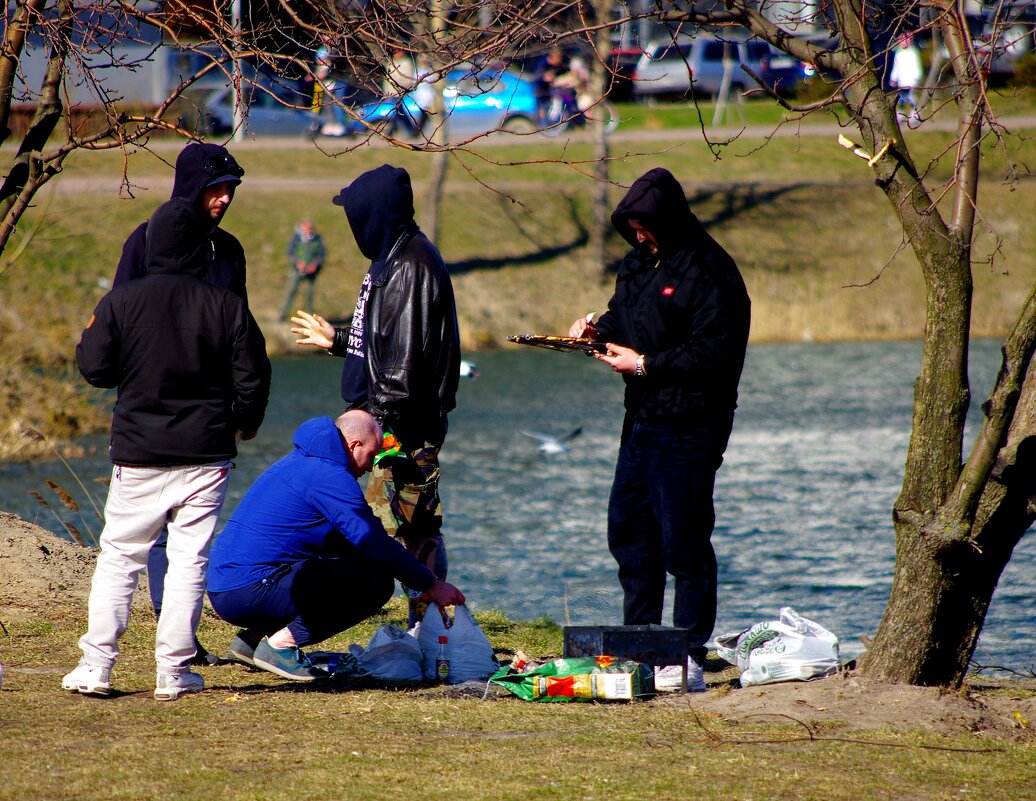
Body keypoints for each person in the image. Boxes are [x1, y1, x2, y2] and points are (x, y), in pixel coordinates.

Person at [64, 197, 271, 701]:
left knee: (119, 557)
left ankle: (97, 666)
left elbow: (94, 368)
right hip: (206, 452)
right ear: (200, 248)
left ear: (152, 245)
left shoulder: (122, 301)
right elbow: (253, 375)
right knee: (189, 560)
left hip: (138, 451)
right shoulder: (225, 305)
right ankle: (173, 672)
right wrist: (245, 423)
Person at [567, 167, 751, 693]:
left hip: (692, 424)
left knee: (684, 542)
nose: (639, 234)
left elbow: (715, 353)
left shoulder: (711, 270)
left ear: (668, 219)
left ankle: (689, 652)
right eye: (632, 226)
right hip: (642, 420)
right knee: (630, 534)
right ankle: (641, 640)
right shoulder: (638, 264)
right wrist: (595, 331)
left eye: (646, 225)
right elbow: (626, 318)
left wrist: (646, 364)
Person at [289, 164, 461, 627]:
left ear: (374, 214)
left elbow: (402, 375)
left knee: (396, 529)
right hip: (389, 421)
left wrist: (374, 429)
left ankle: (428, 625)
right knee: (406, 527)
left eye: (356, 214)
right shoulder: (392, 258)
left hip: (400, 429)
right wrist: (341, 341)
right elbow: (388, 348)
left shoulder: (411, 267)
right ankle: (426, 623)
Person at [112, 141, 248, 667]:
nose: (223, 200)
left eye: (231, 190)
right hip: (150, 415)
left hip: (210, 419)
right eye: (215, 189)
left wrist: (241, 407)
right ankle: (142, 649)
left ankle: (182, 645)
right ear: (190, 188)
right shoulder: (142, 244)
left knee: (190, 542)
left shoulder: (229, 252)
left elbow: (243, 336)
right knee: (139, 542)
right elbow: (118, 321)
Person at [207, 410, 466, 681]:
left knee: (345, 566)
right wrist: (432, 585)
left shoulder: (300, 461)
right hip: (247, 590)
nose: (370, 467)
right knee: (375, 584)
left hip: (227, 585)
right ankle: (280, 645)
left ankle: (251, 640)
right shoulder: (330, 477)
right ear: (354, 445)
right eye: (371, 455)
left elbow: (344, 543)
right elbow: (374, 543)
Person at [279, 218, 326, 320]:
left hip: (312, 272)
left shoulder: (317, 239)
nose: (309, 230)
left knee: (309, 294)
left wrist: (315, 264)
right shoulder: (296, 238)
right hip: (297, 271)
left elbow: (322, 254)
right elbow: (290, 252)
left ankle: (309, 317)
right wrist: (297, 263)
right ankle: (282, 315)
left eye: (311, 228)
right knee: (291, 292)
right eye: (307, 228)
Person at [889, 34, 923, 123]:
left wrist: (917, 78)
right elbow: (896, 67)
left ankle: (915, 114)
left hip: (911, 80)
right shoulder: (898, 53)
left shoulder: (913, 52)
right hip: (901, 81)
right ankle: (900, 115)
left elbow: (917, 66)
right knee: (900, 99)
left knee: (912, 98)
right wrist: (893, 78)